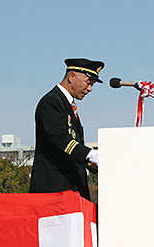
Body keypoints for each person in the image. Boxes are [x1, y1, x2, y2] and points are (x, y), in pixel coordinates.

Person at [29, 58, 104, 200]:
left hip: (71, 190)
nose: (89, 89)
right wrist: (90, 154)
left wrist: (92, 165)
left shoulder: (67, 105)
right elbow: (60, 139)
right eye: (88, 83)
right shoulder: (51, 102)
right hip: (54, 189)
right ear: (72, 76)